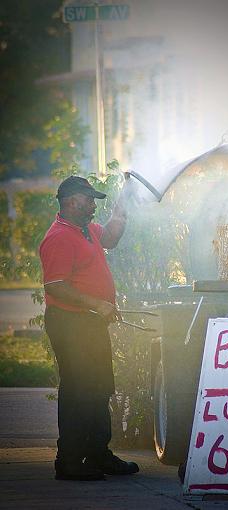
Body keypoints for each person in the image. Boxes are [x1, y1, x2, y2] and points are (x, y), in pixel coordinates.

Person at [39, 175, 139, 481]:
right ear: (71, 201)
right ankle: (68, 461)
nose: (93, 205)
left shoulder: (85, 231)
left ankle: (98, 454)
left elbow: (110, 236)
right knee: (79, 391)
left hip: (90, 323)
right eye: (88, 199)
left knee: (98, 389)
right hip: (71, 324)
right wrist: (98, 304)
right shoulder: (59, 237)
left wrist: (125, 198)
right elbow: (55, 286)